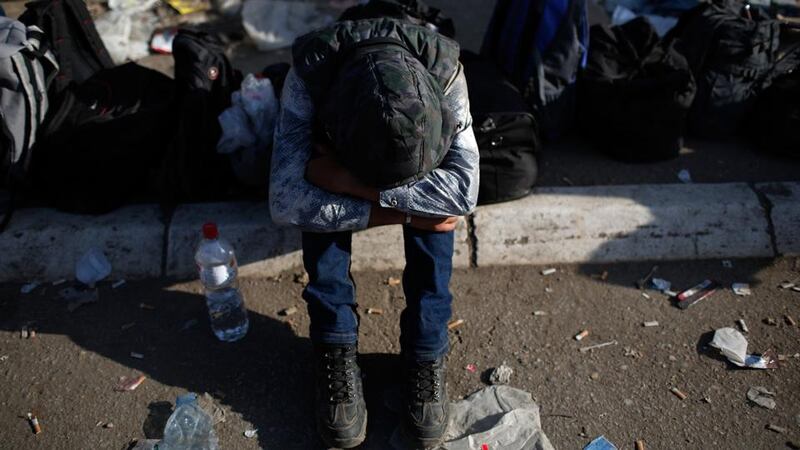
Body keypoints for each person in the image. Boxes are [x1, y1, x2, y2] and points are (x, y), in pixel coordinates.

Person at [269, 16, 479, 449]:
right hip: (339, 143)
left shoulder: (446, 70)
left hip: (353, 163)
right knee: (318, 207)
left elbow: (463, 196)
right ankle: (334, 344)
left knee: (429, 199)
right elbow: (286, 200)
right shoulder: (309, 76)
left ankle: (426, 348)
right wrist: (396, 207)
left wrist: (345, 183)